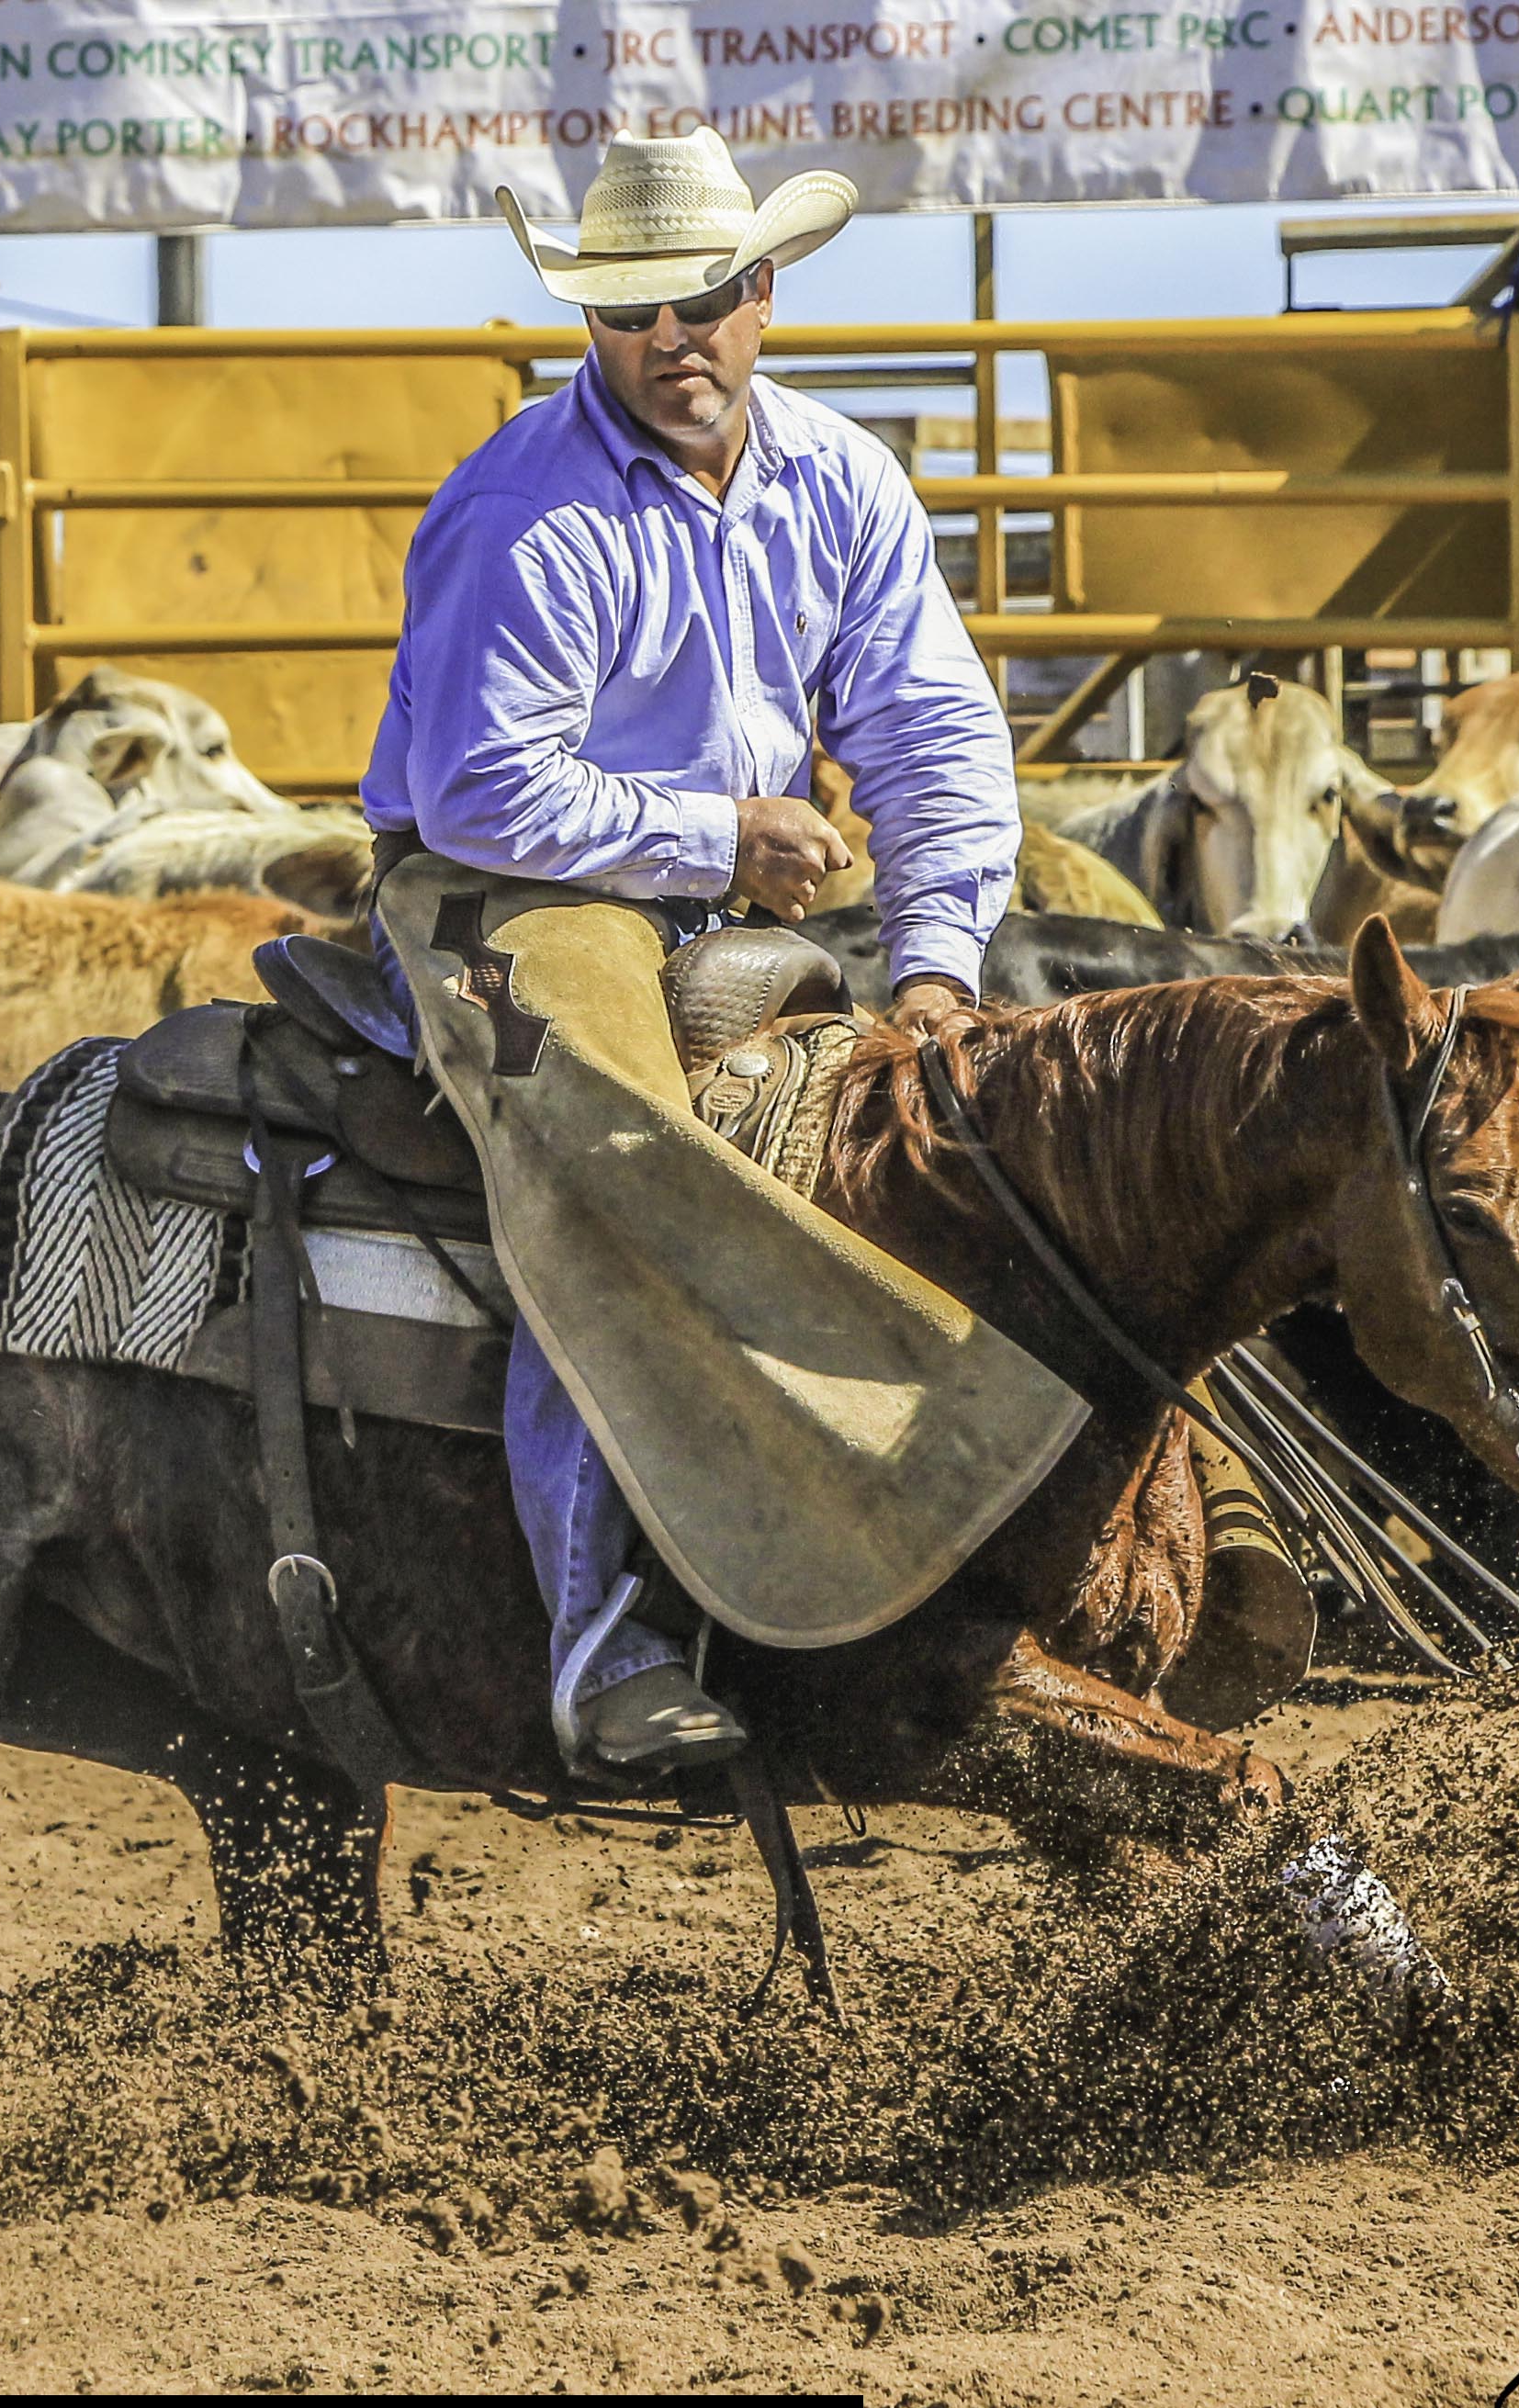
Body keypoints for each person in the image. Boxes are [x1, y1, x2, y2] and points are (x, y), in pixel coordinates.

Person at [361, 134, 1078, 1781]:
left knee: (980, 1113)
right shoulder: (522, 510)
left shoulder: (840, 483)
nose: (670, 339)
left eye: (701, 300)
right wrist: (722, 836)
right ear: (591, 324)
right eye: (631, 314)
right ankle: (600, 1635)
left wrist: (937, 966)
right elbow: (481, 788)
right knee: (612, 1144)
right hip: (500, 893)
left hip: (717, 890)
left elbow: (933, 735)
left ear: (764, 292)